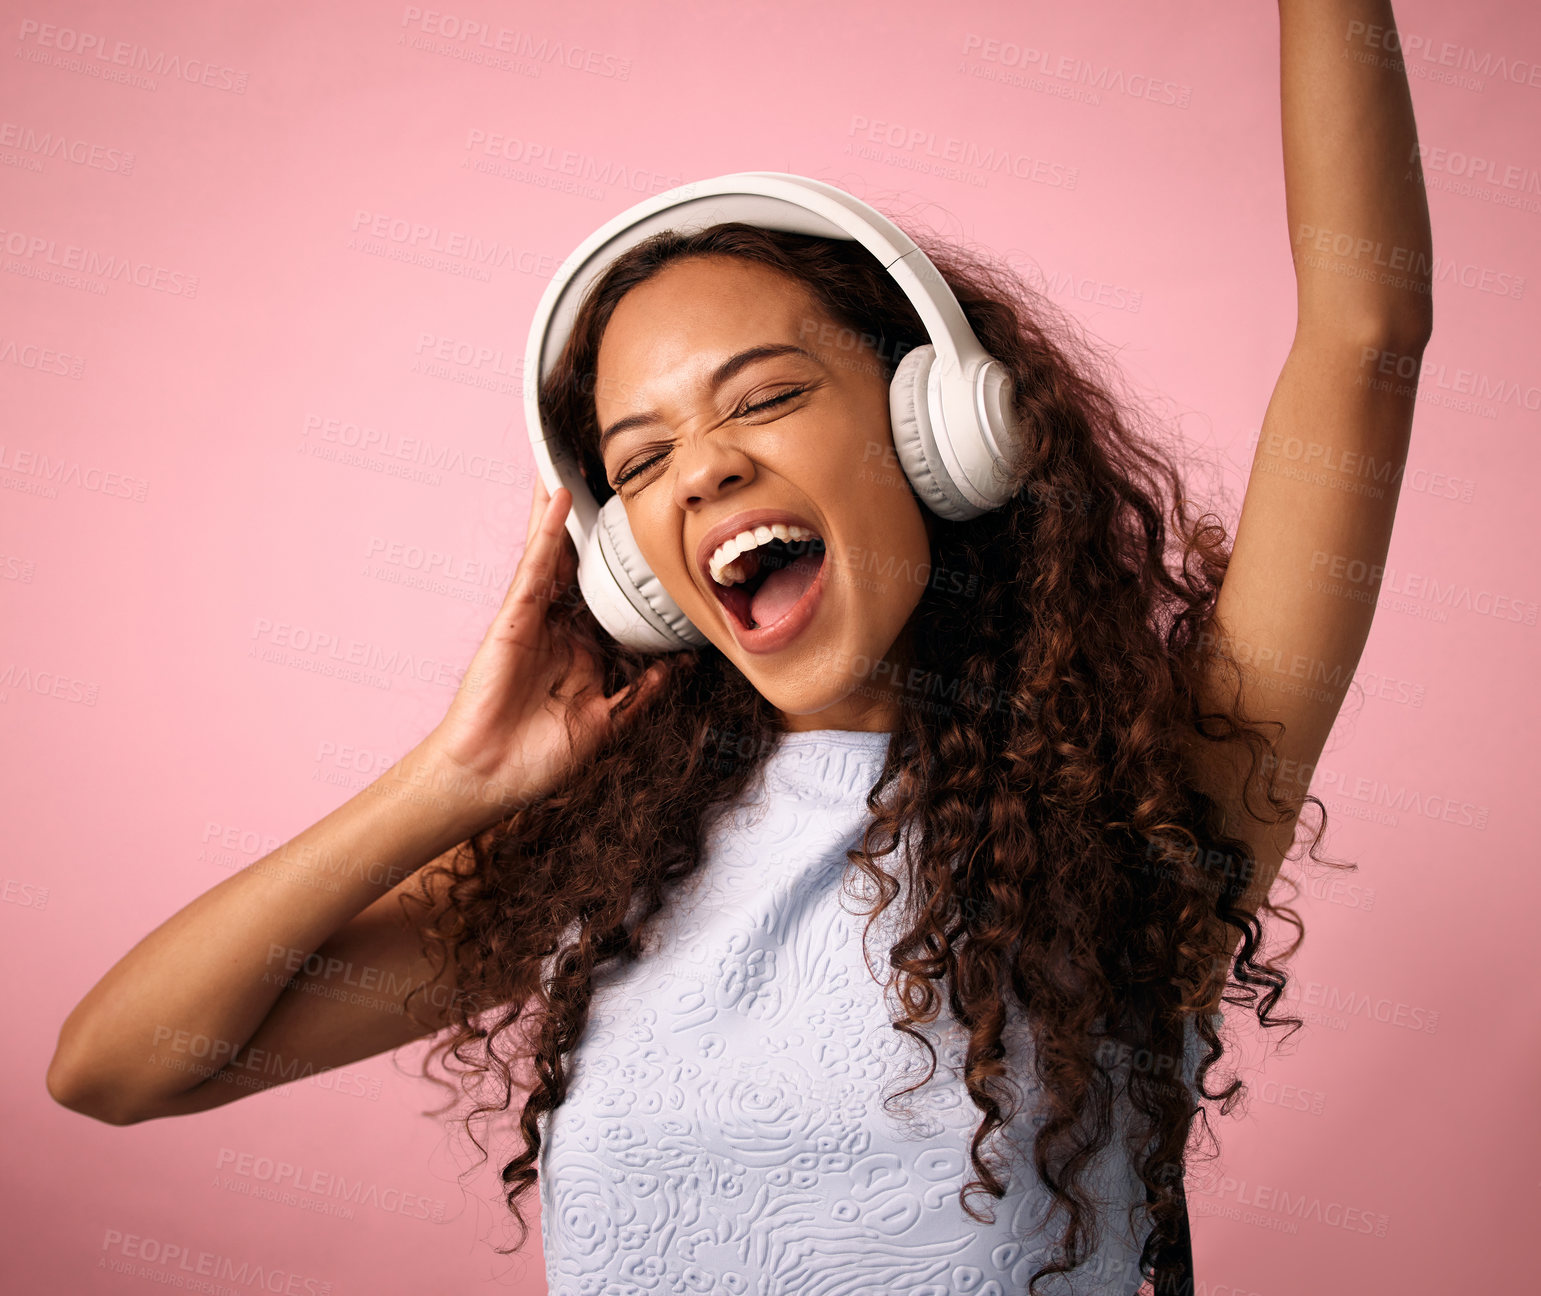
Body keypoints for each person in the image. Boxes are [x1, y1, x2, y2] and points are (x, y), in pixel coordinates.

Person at [46, 2, 1432, 1293]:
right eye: (636, 460)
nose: (699, 473)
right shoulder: (604, 855)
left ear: (932, 431)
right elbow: (117, 1068)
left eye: (762, 399)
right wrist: (449, 781)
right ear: (624, 567)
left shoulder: (1149, 791)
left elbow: (1363, 339)